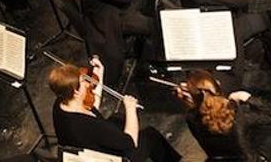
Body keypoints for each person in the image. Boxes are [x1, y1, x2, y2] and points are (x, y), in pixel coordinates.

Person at [49, 58, 181, 162]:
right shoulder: (88, 126)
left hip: (88, 147)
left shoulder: (61, 103)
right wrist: (130, 109)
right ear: (76, 92)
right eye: (83, 81)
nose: (87, 83)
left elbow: (91, 106)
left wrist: (100, 74)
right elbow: (130, 143)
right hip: (110, 158)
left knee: (119, 118)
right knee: (151, 136)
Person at [176, 70, 271, 161]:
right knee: (269, 136)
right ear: (217, 85)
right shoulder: (238, 114)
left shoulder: (191, 118)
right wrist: (247, 97)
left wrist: (189, 101)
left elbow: (199, 110)